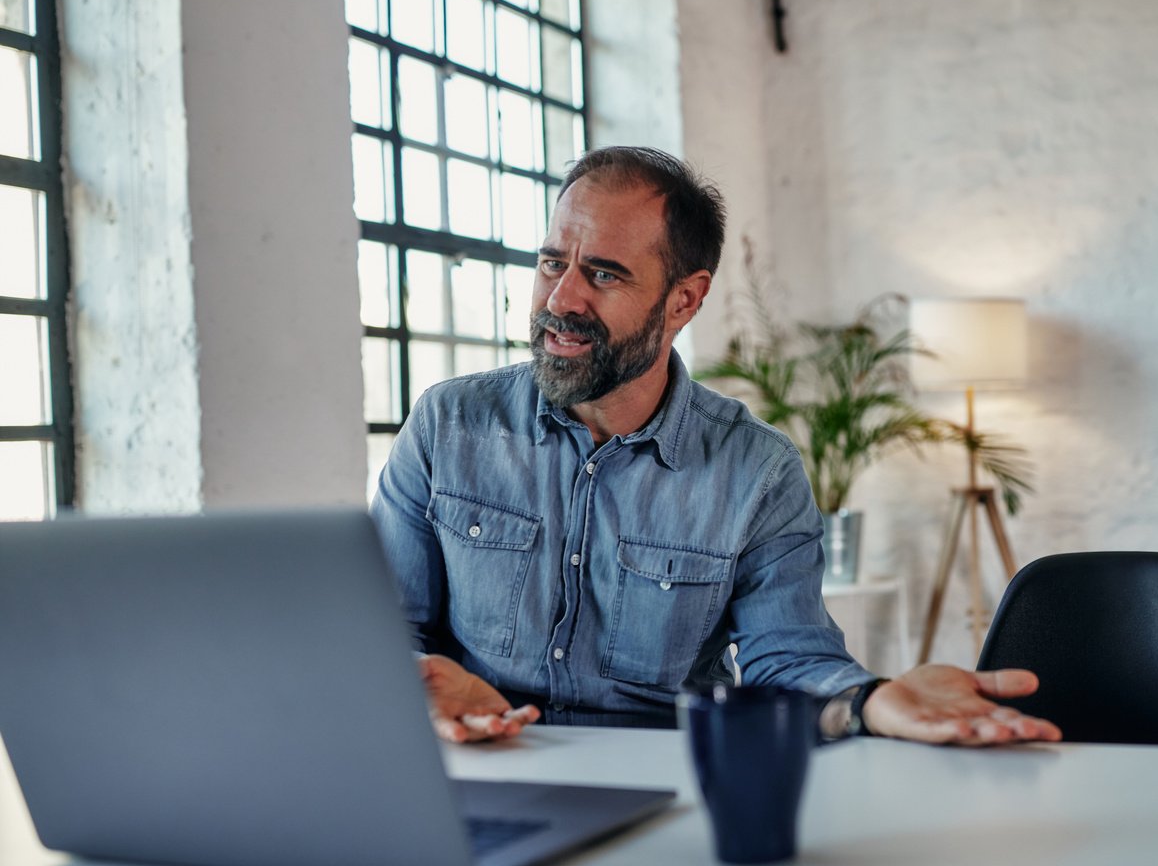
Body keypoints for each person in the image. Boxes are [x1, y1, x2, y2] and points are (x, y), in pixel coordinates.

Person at [371, 146, 1060, 748]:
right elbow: (379, 630)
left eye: (605, 274)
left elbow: (784, 657)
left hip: (664, 795)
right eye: (553, 262)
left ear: (684, 300)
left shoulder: (756, 471)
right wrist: (415, 682)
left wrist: (869, 700)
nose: (563, 297)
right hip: (482, 768)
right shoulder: (446, 424)